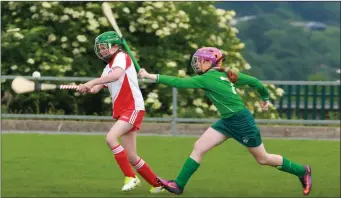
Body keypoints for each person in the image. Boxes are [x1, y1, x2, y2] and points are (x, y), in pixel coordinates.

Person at [138, 47, 312, 196]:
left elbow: (178, 82)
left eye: (199, 61)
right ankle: (178, 185)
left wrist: (149, 75)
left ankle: (302, 171)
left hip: (242, 122)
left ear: (209, 63)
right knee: (199, 146)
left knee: (263, 159)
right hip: (227, 121)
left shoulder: (207, 78)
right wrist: (265, 97)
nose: (197, 64)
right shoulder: (227, 74)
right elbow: (255, 82)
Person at [77, 31, 164, 193]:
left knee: (110, 138)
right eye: (100, 48)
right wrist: (86, 87)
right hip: (122, 110)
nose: (101, 51)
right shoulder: (107, 68)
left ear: (115, 47)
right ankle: (158, 184)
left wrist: (93, 81)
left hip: (132, 107)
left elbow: (116, 76)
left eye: (104, 48)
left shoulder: (121, 57)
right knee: (132, 156)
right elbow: (96, 88)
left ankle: (131, 177)